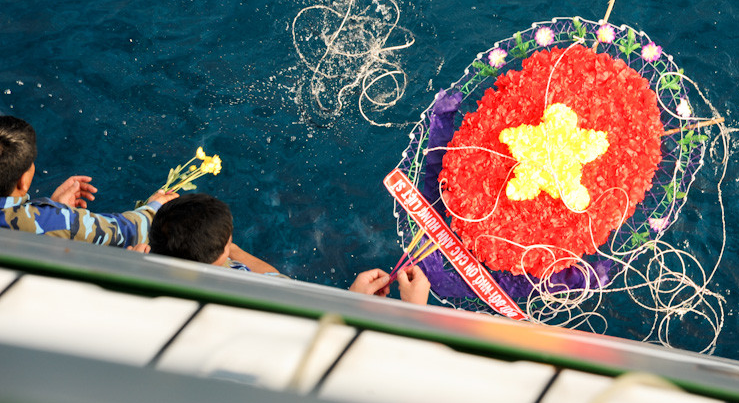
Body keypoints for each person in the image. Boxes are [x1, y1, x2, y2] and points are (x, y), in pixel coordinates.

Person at [146, 193, 431, 304]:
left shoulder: (149, 263)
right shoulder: (246, 302)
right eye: (228, 243)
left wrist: (228, 249)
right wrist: (413, 309)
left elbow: (269, 277)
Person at [0, 115, 177, 247]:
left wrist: (52, 207)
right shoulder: (58, 222)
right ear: (23, 181)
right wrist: (153, 210)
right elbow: (126, 232)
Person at [145, 193, 284, 276]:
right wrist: (232, 248)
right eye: (228, 242)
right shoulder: (235, 277)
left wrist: (151, 208)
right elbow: (273, 276)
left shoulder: (140, 256)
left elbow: (138, 226)